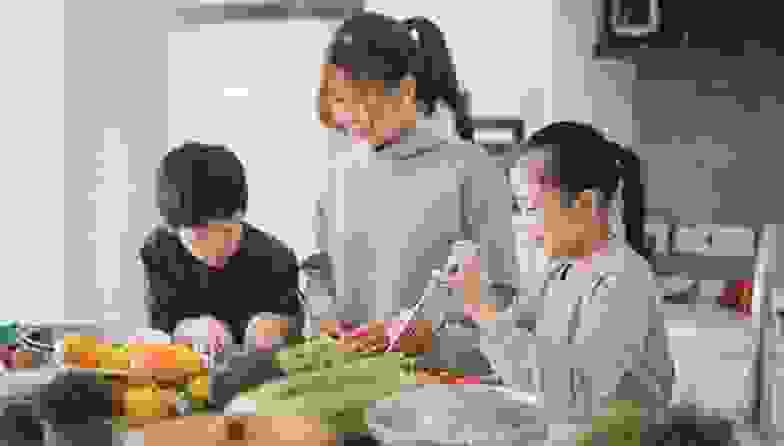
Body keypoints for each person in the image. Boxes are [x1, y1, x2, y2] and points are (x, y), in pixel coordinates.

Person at [312, 12, 517, 361]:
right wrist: (321, 307)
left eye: (369, 100)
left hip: (440, 392)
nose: (358, 116)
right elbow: (324, 276)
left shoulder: (469, 169)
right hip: (350, 382)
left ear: (407, 89)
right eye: (344, 101)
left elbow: (502, 302)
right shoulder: (337, 176)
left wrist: (427, 334)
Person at [476, 121, 673, 424]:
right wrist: (472, 307)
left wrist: (486, 315)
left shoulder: (623, 280)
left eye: (530, 208)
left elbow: (579, 394)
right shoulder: (558, 270)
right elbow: (517, 337)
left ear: (586, 204)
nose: (526, 228)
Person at [140, 142, 303, 347]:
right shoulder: (159, 252)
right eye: (199, 238)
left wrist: (279, 327)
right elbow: (160, 329)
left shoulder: (275, 258)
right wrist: (187, 330)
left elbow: (294, 325)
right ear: (174, 229)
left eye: (227, 232)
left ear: (241, 215)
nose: (215, 248)